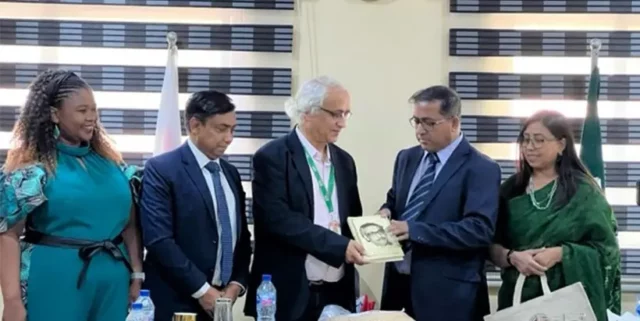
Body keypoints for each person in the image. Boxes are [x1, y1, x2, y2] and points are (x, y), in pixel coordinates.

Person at [0, 69, 144, 321]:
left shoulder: (114, 166)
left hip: (113, 282)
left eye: (93, 109)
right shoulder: (33, 170)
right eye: (82, 111)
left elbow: (130, 224)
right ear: (55, 114)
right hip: (55, 279)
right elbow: (8, 233)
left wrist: (136, 273)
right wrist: (12, 300)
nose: (91, 118)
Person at [244, 76, 367, 321]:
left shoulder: (344, 161)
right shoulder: (273, 157)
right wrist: (338, 246)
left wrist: (372, 239)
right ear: (308, 112)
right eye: (336, 114)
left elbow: (353, 217)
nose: (342, 123)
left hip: (336, 291)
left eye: (346, 114)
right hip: (290, 292)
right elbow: (279, 220)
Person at [381, 85, 500, 321]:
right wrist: (385, 211)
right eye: (416, 121)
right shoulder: (407, 158)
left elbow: (478, 230)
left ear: (454, 123)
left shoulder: (481, 168)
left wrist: (413, 230)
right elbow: (396, 200)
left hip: (450, 297)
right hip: (399, 288)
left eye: (429, 122)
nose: (420, 130)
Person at [489, 110, 621, 320]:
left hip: (568, 303)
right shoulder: (510, 189)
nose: (530, 147)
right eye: (526, 140)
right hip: (517, 300)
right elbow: (490, 245)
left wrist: (561, 254)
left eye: (539, 140)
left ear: (561, 145)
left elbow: (606, 251)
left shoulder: (583, 191)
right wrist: (512, 257)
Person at [139, 90, 252, 321]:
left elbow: (240, 238)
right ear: (195, 125)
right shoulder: (162, 169)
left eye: (233, 129)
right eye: (221, 129)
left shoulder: (230, 173)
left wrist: (235, 286)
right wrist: (203, 290)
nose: (229, 138)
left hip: (221, 302)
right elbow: (159, 240)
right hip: (175, 300)